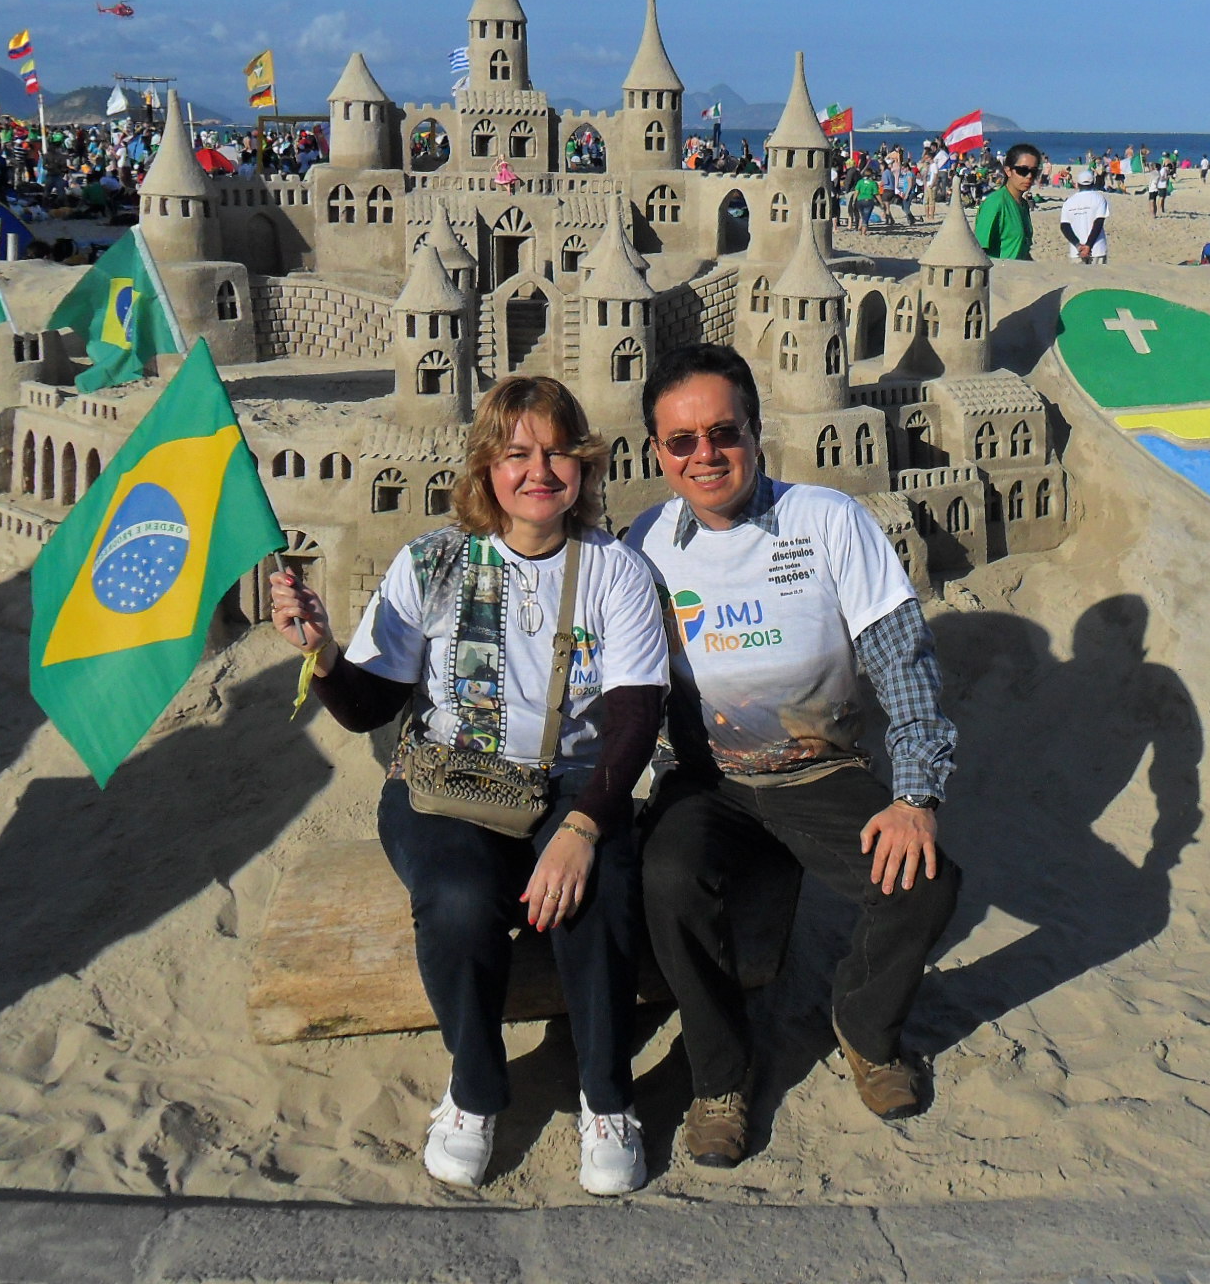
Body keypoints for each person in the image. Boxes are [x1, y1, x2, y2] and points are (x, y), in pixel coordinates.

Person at [267, 376, 669, 1196]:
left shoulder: (614, 571)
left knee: (598, 893)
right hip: (452, 780)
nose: (539, 470)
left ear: (585, 466)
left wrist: (582, 831)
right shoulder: (435, 561)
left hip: (572, 783)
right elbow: (370, 705)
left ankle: (606, 1098)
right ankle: (477, 1090)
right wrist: (324, 653)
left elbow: (633, 718)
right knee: (456, 896)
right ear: (487, 468)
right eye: (517, 453)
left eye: (558, 451)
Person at [631, 345, 962, 1169]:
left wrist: (915, 793)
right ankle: (722, 1079)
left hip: (819, 770)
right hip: (707, 777)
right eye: (681, 442)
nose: (704, 455)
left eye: (722, 432)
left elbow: (903, 663)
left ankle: (863, 1023)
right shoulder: (645, 544)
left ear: (754, 430)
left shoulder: (826, 521)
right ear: (657, 453)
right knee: (668, 879)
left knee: (924, 880)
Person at [975, 143, 1040, 260]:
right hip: (1000, 275)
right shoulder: (995, 203)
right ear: (1008, 171)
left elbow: (1021, 249)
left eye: (1034, 172)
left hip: (1020, 274)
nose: (1029, 176)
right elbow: (978, 250)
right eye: (1023, 170)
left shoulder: (1023, 205)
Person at [1059, 165, 1110, 263]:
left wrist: (1078, 245)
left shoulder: (1069, 201)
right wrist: (1088, 246)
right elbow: (1098, 223)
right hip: (1096, 249)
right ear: (1093, 182)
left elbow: (1064, 226)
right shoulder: (1099, 198)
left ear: (1078, 184)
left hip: (1076, 251)